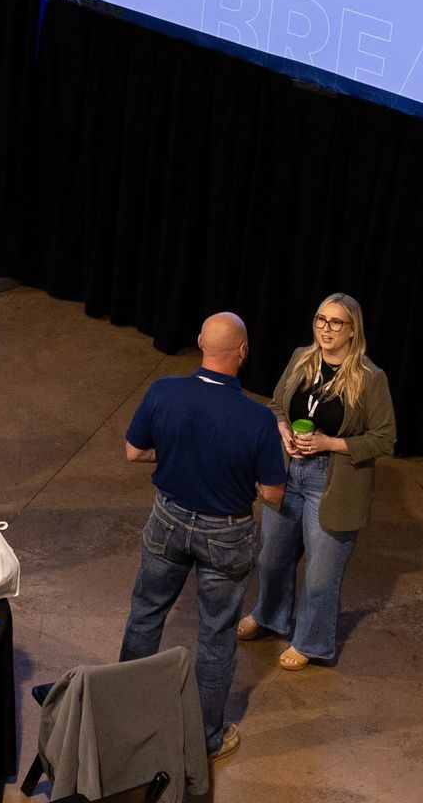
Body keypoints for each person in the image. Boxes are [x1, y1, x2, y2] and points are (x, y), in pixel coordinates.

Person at [119, 312, 286, 764]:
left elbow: (134, 451)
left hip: (168, 521)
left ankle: (122, 720)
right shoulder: (257, 418)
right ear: (243, 352)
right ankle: (205, 740)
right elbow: (272, 494)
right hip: (226, 535)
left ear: (199, 343)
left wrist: (175, 452)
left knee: (145, 616)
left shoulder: (164, 391)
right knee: (215, 638)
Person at [238, 293, 397, 669]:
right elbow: (277, 404)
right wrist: (283, 431)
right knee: (273, 556)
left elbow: (384, 438)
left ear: (353, 329)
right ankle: (269, 615)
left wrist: (329, 443)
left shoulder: (370, 378)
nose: (326, 329)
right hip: (289, 469)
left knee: (321, 575)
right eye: (321, 320)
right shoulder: (301, 358)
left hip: (332, 481)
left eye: (336, 322)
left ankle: (310, 642)